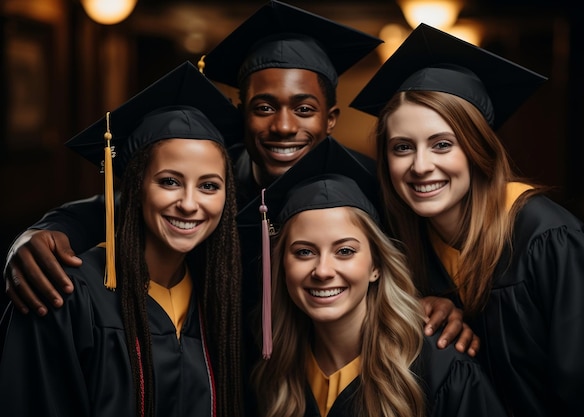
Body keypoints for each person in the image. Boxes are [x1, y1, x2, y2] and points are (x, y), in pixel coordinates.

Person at [3, 1, 476, 355]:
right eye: (264, 108)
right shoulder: (211, 182)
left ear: (331, 119)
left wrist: (440, 303)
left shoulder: (371, 189)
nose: (285, 127)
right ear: (241, 114)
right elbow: (118, 211)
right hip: (223, 377)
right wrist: (41, 233)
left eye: (304, 110)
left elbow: (419, 267)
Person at [350, 23, 584, 416]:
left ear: (477, 149)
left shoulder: (546, 238)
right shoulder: (407, 243)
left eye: (442, 144)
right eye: (402, 147)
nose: (421, 166)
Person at [0, 61, 244, 417]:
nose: (190, 204)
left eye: (209, 186)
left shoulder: (219, 296)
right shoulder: (67, 294)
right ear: (134, 188)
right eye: (169, 181)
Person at [251, 170, 507, 417]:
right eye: (304, 252)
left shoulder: (437, 366)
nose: (323, 271)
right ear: (282, 265)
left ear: (376, 266)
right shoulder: (272, 367)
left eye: (345, 251)